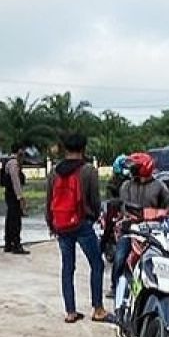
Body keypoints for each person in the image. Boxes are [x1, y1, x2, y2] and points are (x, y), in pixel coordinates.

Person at [46, 134, 110, 323]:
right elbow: (95, 199)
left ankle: (70, 312)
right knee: (96, 263)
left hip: (62, 225)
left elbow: (49, 200)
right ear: (83, 149)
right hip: (82, 224)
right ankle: (98, 309)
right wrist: (96, 216)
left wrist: (51, 223)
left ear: (65, 149)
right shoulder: (89, 170)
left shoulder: (54, 172)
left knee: (67, 267)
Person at [111, 152, 169, 293]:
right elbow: (124, 205)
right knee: (120, 257)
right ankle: (115, 287)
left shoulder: (159, 186)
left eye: (135, 167)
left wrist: (168, 210)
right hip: (131, 228)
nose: (131, 170)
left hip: (154, 229)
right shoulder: (126, 185)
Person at [2, 144, 30, 255]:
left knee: (10, 219)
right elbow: (16, 181)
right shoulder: (14, 163)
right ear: (19, 151)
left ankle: (8, 244)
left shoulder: (9, 161)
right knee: (15, 220)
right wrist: (20, 197)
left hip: (10, 194)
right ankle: (16, 244)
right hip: (13, 195)